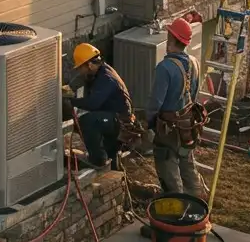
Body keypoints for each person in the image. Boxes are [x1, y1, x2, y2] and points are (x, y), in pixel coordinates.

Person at [147, 18, 204, 196]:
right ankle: (198, 204)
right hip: (188, 125)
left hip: (169, 129)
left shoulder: (165, 68)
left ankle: (177, 209)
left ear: (171, 39)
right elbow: (194, 94)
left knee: (168, 172)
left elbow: (155, 103)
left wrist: (149, 125)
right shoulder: (194, 62)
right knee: (187, 166)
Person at [66, 42, 136, 170]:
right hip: (115, 117)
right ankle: (113, 164)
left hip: (120, 122)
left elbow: (93, 103)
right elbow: (83, 80)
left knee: (86, 121)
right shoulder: (100, 71)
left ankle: (97, 159)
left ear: (89, 64)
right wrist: (71, 87)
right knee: (109, 148)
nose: (80, 71)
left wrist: (71, 101)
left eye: (81, 68)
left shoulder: (106, 78)